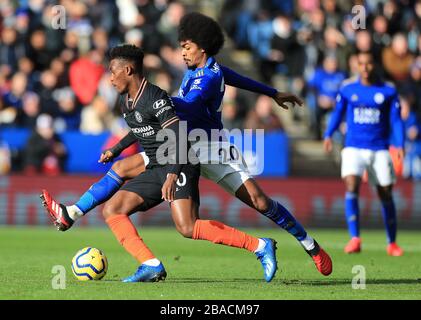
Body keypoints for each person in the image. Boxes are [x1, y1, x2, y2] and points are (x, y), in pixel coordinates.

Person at [41, 13, 332, 277]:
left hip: (209, 147)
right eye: (181, 46)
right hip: (180, 146)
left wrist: (158, 102)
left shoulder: (206, 78)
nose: (182, 52)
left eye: (187, 47)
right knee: (124, 168)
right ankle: (72, 213)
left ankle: (309, 245)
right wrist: (271, 92)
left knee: (260, 202)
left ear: (202, 48)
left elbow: (182, 107)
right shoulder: (202, 71)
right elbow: (235, 78)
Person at [44, 44, 278, 283]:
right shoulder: (127, 102)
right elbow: (139, 126)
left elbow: (178, 133)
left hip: (180, 161)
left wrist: (173, 175)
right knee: (113, 208)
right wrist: (116, 149)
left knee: (187, 227)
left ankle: (260, 246)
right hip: (158, 163)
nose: (110, 78)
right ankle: (149, 264)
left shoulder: (156, 97)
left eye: (113, 72)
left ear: (128, 70)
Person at [323, 50, 405, 256]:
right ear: (356, 66)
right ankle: (355, 239)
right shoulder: (348, 89)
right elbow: (338, 113)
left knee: (385, 193)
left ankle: (392, 242)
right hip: (353, 147)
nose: (365, 68)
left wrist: (400, 143)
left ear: (374, 65)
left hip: (379, 148)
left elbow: (396, 120)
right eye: (362, 64)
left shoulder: (387, 90)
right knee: (352, 184)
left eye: (369, 64)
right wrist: (328, 134)